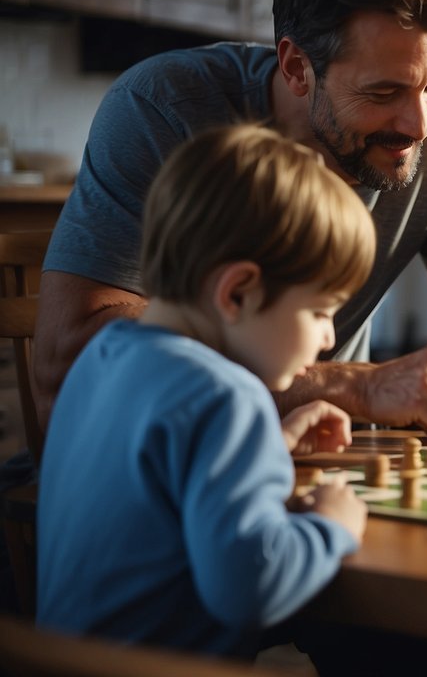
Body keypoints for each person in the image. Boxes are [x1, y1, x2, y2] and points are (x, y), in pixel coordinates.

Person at [33, 0, 427, 438]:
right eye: (381, 93)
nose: (418, 124)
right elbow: (70, 362)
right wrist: (354, 386)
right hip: (164, 464)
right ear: (297, 67)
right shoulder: (162, 109)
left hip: (334, 455)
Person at [36, 126, 369, 658]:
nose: (329, 337)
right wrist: (332, 527)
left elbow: (150, 484)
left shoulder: (105, 355)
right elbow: (251, 588)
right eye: (321, 311)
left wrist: (268, 446)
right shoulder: (229, 397)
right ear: (237, 292)